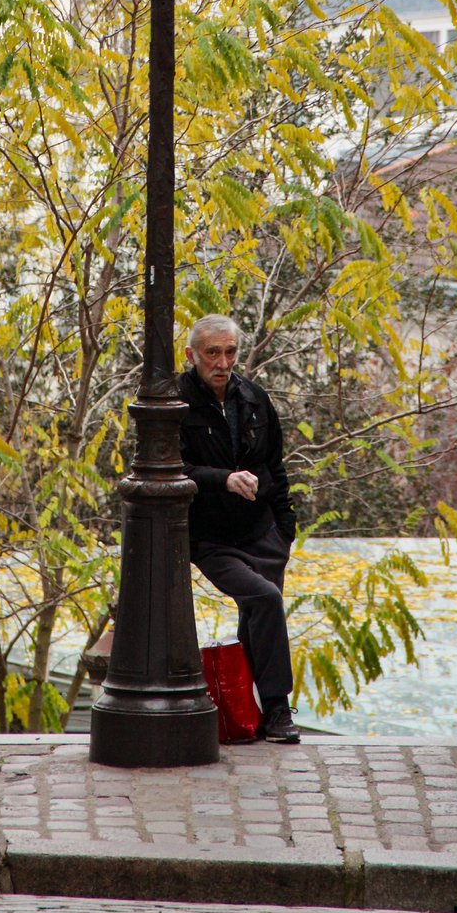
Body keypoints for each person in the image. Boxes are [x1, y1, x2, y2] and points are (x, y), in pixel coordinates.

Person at [178, 314, 300, 744]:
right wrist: (222, 478)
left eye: (230, 352)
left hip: (263, 533)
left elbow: (274, 465)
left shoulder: (253, 397)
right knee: (265, 600)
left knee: (257, 615)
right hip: (211, 540)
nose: (223, 361)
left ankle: (252, 717)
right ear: (192, 355)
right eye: (213, 352)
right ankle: (279, 708)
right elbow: (171, 468)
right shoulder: (175, 402)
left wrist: (286, 530)